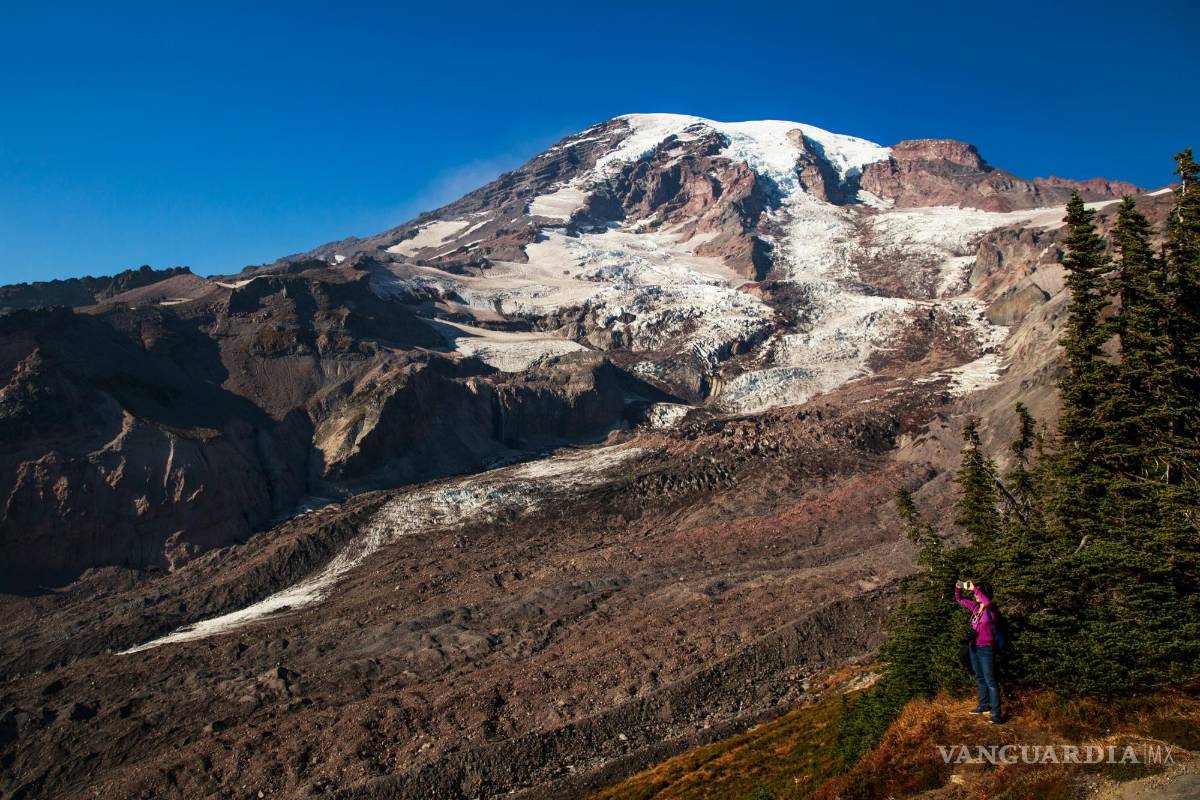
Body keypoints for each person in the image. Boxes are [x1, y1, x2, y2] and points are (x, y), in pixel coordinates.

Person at [955, 579, 1002, 724]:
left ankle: (996, 713)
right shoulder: (975, 607)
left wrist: (974, 588)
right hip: (973, 647)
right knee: (980, 677)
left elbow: (986, 602)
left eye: (978, 592)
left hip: (986, 648)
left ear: (984, 593)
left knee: (990, 680)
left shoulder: (991, 609)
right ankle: (983, 706)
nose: (975, 594)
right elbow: (959, 600)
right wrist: (958, 588)